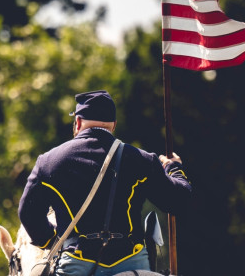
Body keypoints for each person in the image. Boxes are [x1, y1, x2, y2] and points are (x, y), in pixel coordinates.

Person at [18, 90, 192, 276]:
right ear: (113, 125)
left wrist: (51, 240)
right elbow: (179, 200)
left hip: (77, 263)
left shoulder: (48, 161)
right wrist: (173, 168)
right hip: (131, 261)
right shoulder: (142, 160)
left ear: (77, 122)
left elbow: (28, 213)